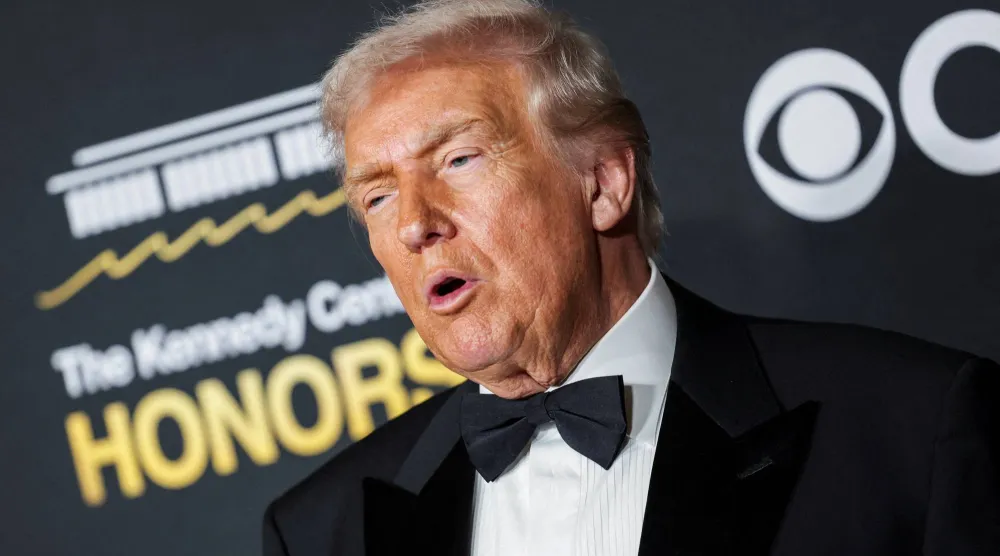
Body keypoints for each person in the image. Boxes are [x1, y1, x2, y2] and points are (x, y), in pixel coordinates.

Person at [262, 1, 1000, 554]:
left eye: (459, 160)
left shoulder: (910, 428)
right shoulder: (324, 531)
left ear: (605, 181)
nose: (416, 223)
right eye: (378, 197)